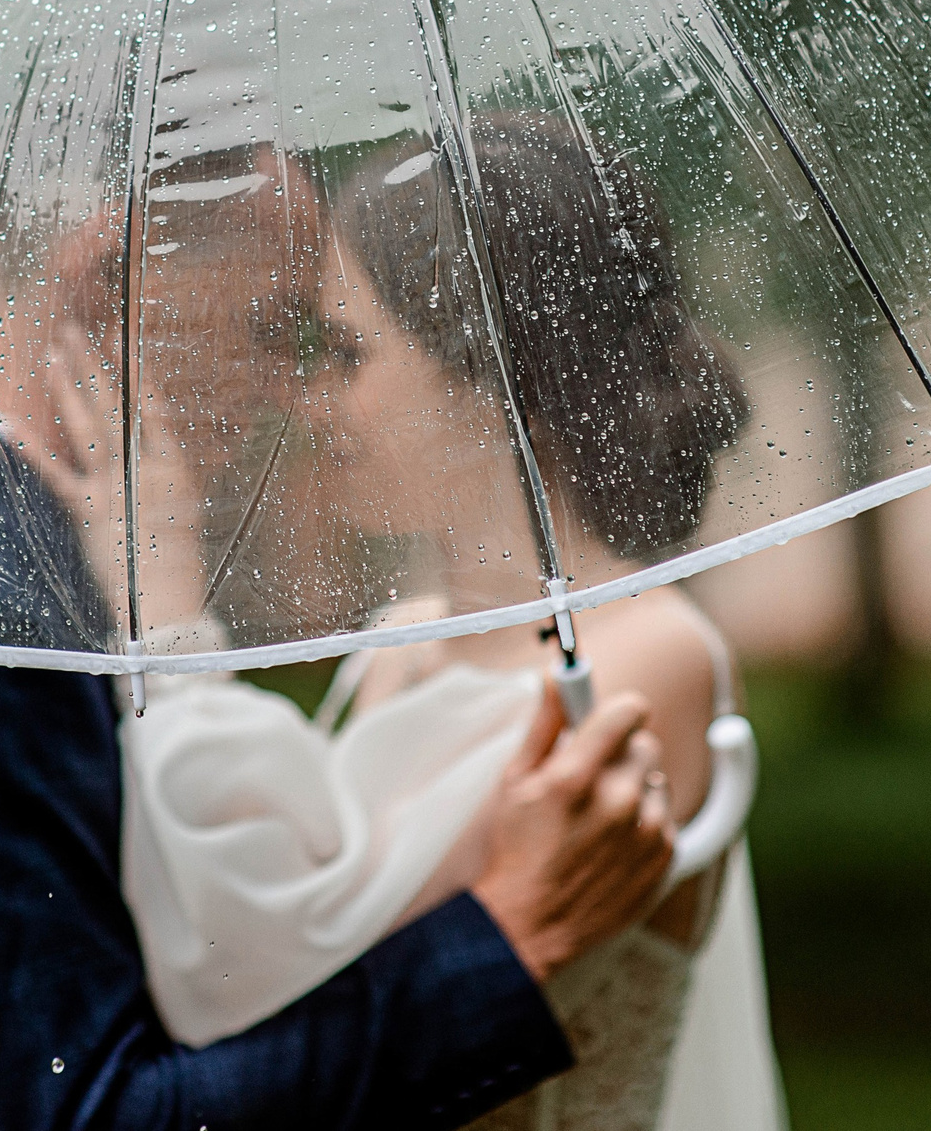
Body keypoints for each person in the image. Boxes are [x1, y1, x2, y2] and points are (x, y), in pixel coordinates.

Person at [0, 142, 678, 1131]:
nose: (287, 390)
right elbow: (100, 1114)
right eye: (271, 327)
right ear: (113, 276)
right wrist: (510, 944)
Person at [118, 116, 786, 1130]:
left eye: (345, 352)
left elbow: (272, 970)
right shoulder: (402, 635)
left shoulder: (645, 659)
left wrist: (168, 617)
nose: (309, 400)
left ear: (488, 369)